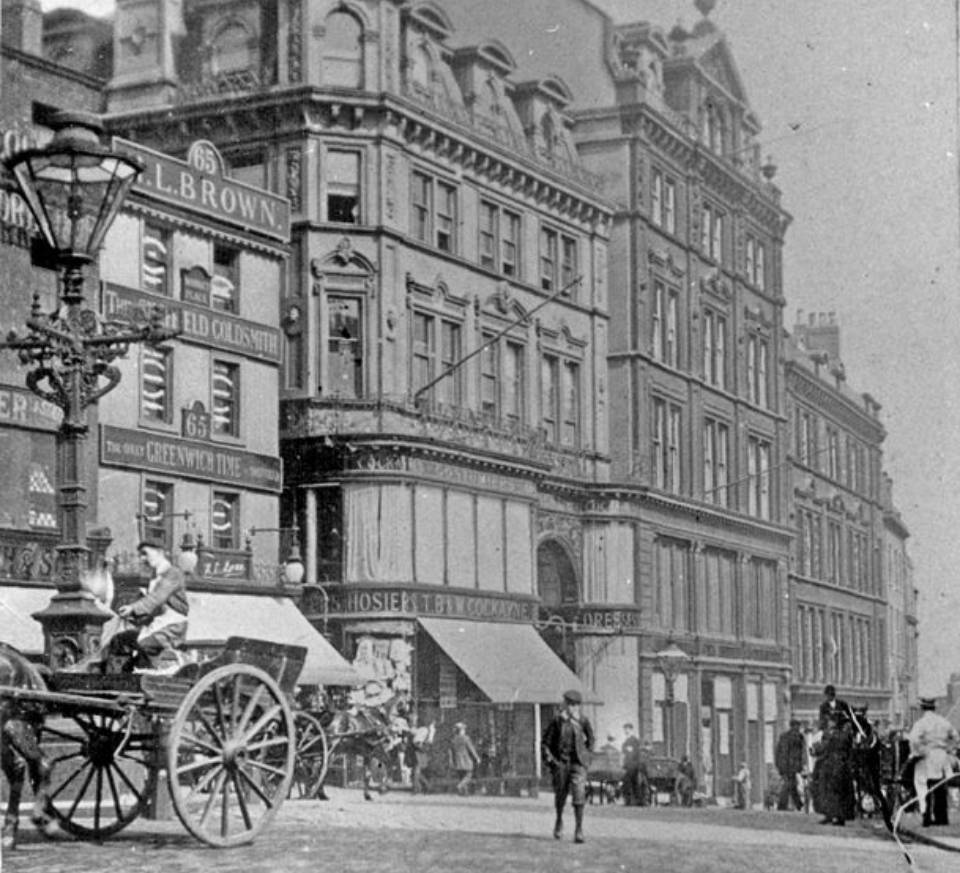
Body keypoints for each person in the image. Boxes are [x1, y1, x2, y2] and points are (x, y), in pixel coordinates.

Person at [542, 689, 595, 844]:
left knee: (579, 794)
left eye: (575, 705)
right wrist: (552, 761)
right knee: (561, 795)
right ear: (565, 705)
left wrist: (587, 755)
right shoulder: (557, 721)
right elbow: (546, 743)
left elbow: (591, 738)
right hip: (562, 763)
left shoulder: (583, 721)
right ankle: (559, 820)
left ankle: (579, 829)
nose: (572, 708)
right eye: (570, 705)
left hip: (578, 763)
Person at [908, 697, 959, 827]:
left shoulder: (921, 723)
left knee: (922, 785)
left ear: (922, 708)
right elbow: (956, 737)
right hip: (942, 756)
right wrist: (949, 750)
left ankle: (926, 815)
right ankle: (941, 817)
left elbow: (914, 739)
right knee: (941, 786)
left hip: (927, 756)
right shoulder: (944, 722)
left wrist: (918, 752)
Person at [812, 713, 855, 826]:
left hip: (831, 765)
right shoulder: (846, 734)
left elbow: (824, 747)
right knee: (837, 792)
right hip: (841, 765)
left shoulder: (832, 734)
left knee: (830, 791)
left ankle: (833, 815)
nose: (829, 722)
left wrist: (816, 749)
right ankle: (836, 816)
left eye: (831, 720)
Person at [775, 719, 806, 811]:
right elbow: (801, 753)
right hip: (790, 766)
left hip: (787, 766)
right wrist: (801, 765)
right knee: (789, 785)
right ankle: (784, 805)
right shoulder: (798, 737)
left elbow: (778, 752)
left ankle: (797, 804)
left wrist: (779, 765)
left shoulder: (785, 736)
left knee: (791, 785)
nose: (797, 728)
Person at [405, 712, 435, 794]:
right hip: (418, 751)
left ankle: (418, 788)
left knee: (416, 771)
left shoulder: (424, 729)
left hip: (418, 751)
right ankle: (425, 786)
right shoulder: (425, 729)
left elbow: (416, 741)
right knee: (417, 771)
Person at [449, 722, 480, 795]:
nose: (465, 730)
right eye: (464, 729)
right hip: (466, 760)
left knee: (461, 777)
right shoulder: (466, 738)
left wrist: (452, 761)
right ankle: (459, 786)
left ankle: (464, 793)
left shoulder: (453, 739)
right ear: (461, 730)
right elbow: (471, 749)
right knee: (468, 775)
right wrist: (477, 757)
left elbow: (451, 751)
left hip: (457, 760)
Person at [620, 723, 641, 806]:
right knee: (631, 783)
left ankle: (632, 801)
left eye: (627, 729)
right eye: (625, 729)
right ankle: (632, 801)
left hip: (633, 765)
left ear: (631, 729)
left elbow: (635, 753)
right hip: (628, 765)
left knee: (630, 782)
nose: (625, 731)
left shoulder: (634, 740)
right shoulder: (626, 741)